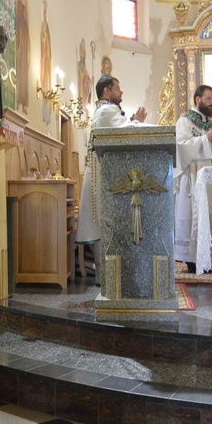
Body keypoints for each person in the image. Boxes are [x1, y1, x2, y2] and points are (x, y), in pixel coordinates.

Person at [75, 75, 147, 284]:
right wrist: (136, 123)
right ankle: (103, 275)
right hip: (101, 175)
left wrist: (132, 122)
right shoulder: (105, 111)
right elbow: (123, 131)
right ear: (107, 91)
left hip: (105, 173)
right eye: (118, 87)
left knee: (107, 221)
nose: (121, 92)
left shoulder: (108, 110)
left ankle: (106, 273)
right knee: (102, 222)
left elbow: (122, 129)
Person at [174, 85, 212, 273]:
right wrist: (206, 138)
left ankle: (206, 257)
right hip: (193, 175)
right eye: (208, 99)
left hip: (208, 176)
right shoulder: (185, 121)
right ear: (197, 99)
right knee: (192, 215)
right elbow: (181, 147)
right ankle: (191, 259)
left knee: (209, 214)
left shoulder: (209, 123)